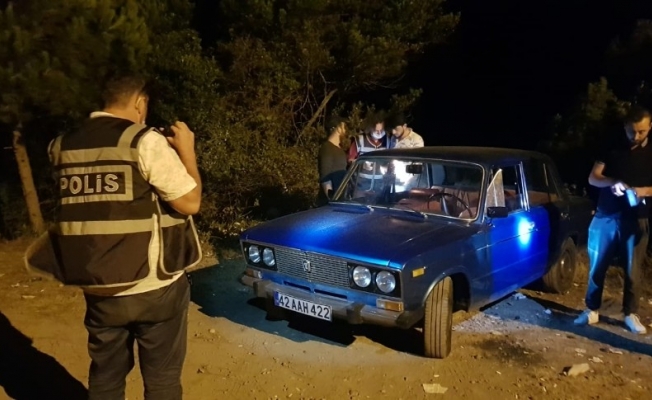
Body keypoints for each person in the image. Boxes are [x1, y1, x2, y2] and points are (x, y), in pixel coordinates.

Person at [35, 74, 203, 399]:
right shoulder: (143, 141)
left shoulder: (60, 145)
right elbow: (190, 202)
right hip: (153, 286)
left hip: (97, 285)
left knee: (106, 378)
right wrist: (187, 152)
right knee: (162, 379)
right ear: (140, 102)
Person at [574, 105, 652, 334]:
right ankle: (591, 309)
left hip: (636, 218)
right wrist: (613, 182)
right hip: (605, 215)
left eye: (641, 131)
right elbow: (593, 178)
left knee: (633, 270)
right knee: (597, 265)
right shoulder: (612, 146)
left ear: (650, 127)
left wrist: (644, 191)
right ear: (625, 127)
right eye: (631, 131)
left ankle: (630, 313)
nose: (635, 136)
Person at [317, 121, 348, 206]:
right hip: (332, 200)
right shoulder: (327, 147)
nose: (345, 130)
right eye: (343, 127)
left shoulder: (340, 149)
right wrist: (331, 200)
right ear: (338, 128)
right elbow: (325, 176)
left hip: (341, 197)